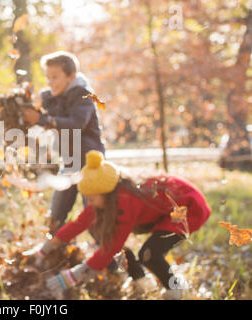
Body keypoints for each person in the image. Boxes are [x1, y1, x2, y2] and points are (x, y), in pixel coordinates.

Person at [30, 150, 211, 300]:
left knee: (149, 254)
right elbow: (79, 223)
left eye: (91, 199)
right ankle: (142, 282)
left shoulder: (125, 202)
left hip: (187, 210)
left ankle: (176, 290)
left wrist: (72, 277)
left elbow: (110, 248)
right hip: (164, 211)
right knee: (121, 249)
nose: (89, 203)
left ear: (105, 195)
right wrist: (46, 248)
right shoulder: (106, 195)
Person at [22, 51, 105, 234]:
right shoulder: (51, 97)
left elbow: (75, 124)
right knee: (55, 217)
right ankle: (55, 256)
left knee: (95, 219)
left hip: (89, 164)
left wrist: (43, 119)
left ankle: (108, 259)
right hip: (69, 163)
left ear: (71, 76)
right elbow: (38, 114)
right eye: (48, 77)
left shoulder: (83, 96)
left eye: (55, 77)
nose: (51, 82)